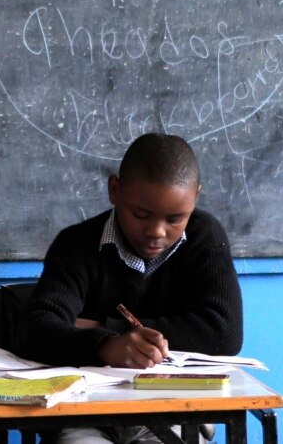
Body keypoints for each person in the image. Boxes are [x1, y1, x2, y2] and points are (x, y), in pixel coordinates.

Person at [23, 133, 242, 444]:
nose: (156, 232)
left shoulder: (204, 237)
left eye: (175, 219)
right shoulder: (76, 245)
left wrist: (105, 327)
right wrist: (106, 346)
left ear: (195, 197)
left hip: (173, 410)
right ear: (115, 190)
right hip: (85, 412)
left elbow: (225, 333)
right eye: (141, 215)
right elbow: (37, 329)